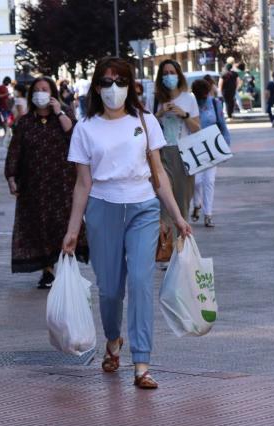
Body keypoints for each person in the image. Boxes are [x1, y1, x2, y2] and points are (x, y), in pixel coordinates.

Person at [62, 57, 192, 389]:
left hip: (143, 209)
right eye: (106, 82)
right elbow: (82, 184)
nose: (113, 88)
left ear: (131, 85)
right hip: (103, 210)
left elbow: (159, 173)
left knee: (139, 282)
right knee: (109, 290)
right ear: (96, 87)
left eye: (120, 81)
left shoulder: (146, 121)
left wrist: (178, 217)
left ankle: (142, 363)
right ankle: (113, 340)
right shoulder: (85, 128)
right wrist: (72, 231)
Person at [5, 76, 88, 288]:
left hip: (63, 182)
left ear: (52, 93)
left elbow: (74, 135)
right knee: (40, 226)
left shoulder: (64, 114)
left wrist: (59, 111)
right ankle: (48, 270)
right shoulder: (25, 122)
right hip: (35, 185)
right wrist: (11, 176)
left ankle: (68, 267)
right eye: (37, 89)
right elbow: (15, 150)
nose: (41, 92)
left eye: (45, 89)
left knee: (64, 224)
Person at [154, 59, 201, 224]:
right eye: (165, 73)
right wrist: (159, 113)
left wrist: (184, 114)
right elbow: (141, 129)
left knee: (182, 204)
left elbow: (197, 129)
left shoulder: (189, 99)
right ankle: (167, 246)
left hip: (185, 153)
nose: (169, 76)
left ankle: (182, 244)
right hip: (160, 155)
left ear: (179, 76)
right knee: (163, 206)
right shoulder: (154, 100)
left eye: (172, 73)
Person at [190, 79, 231, 228]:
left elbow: (223, 126)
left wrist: (226, 147)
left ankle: (208, 214)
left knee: (209, 181)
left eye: (204, 95)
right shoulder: (191, 103)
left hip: (212, 145)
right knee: (196, 181)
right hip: (194, 146)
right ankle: (197, 204)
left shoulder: (215, 103)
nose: (203, 98)